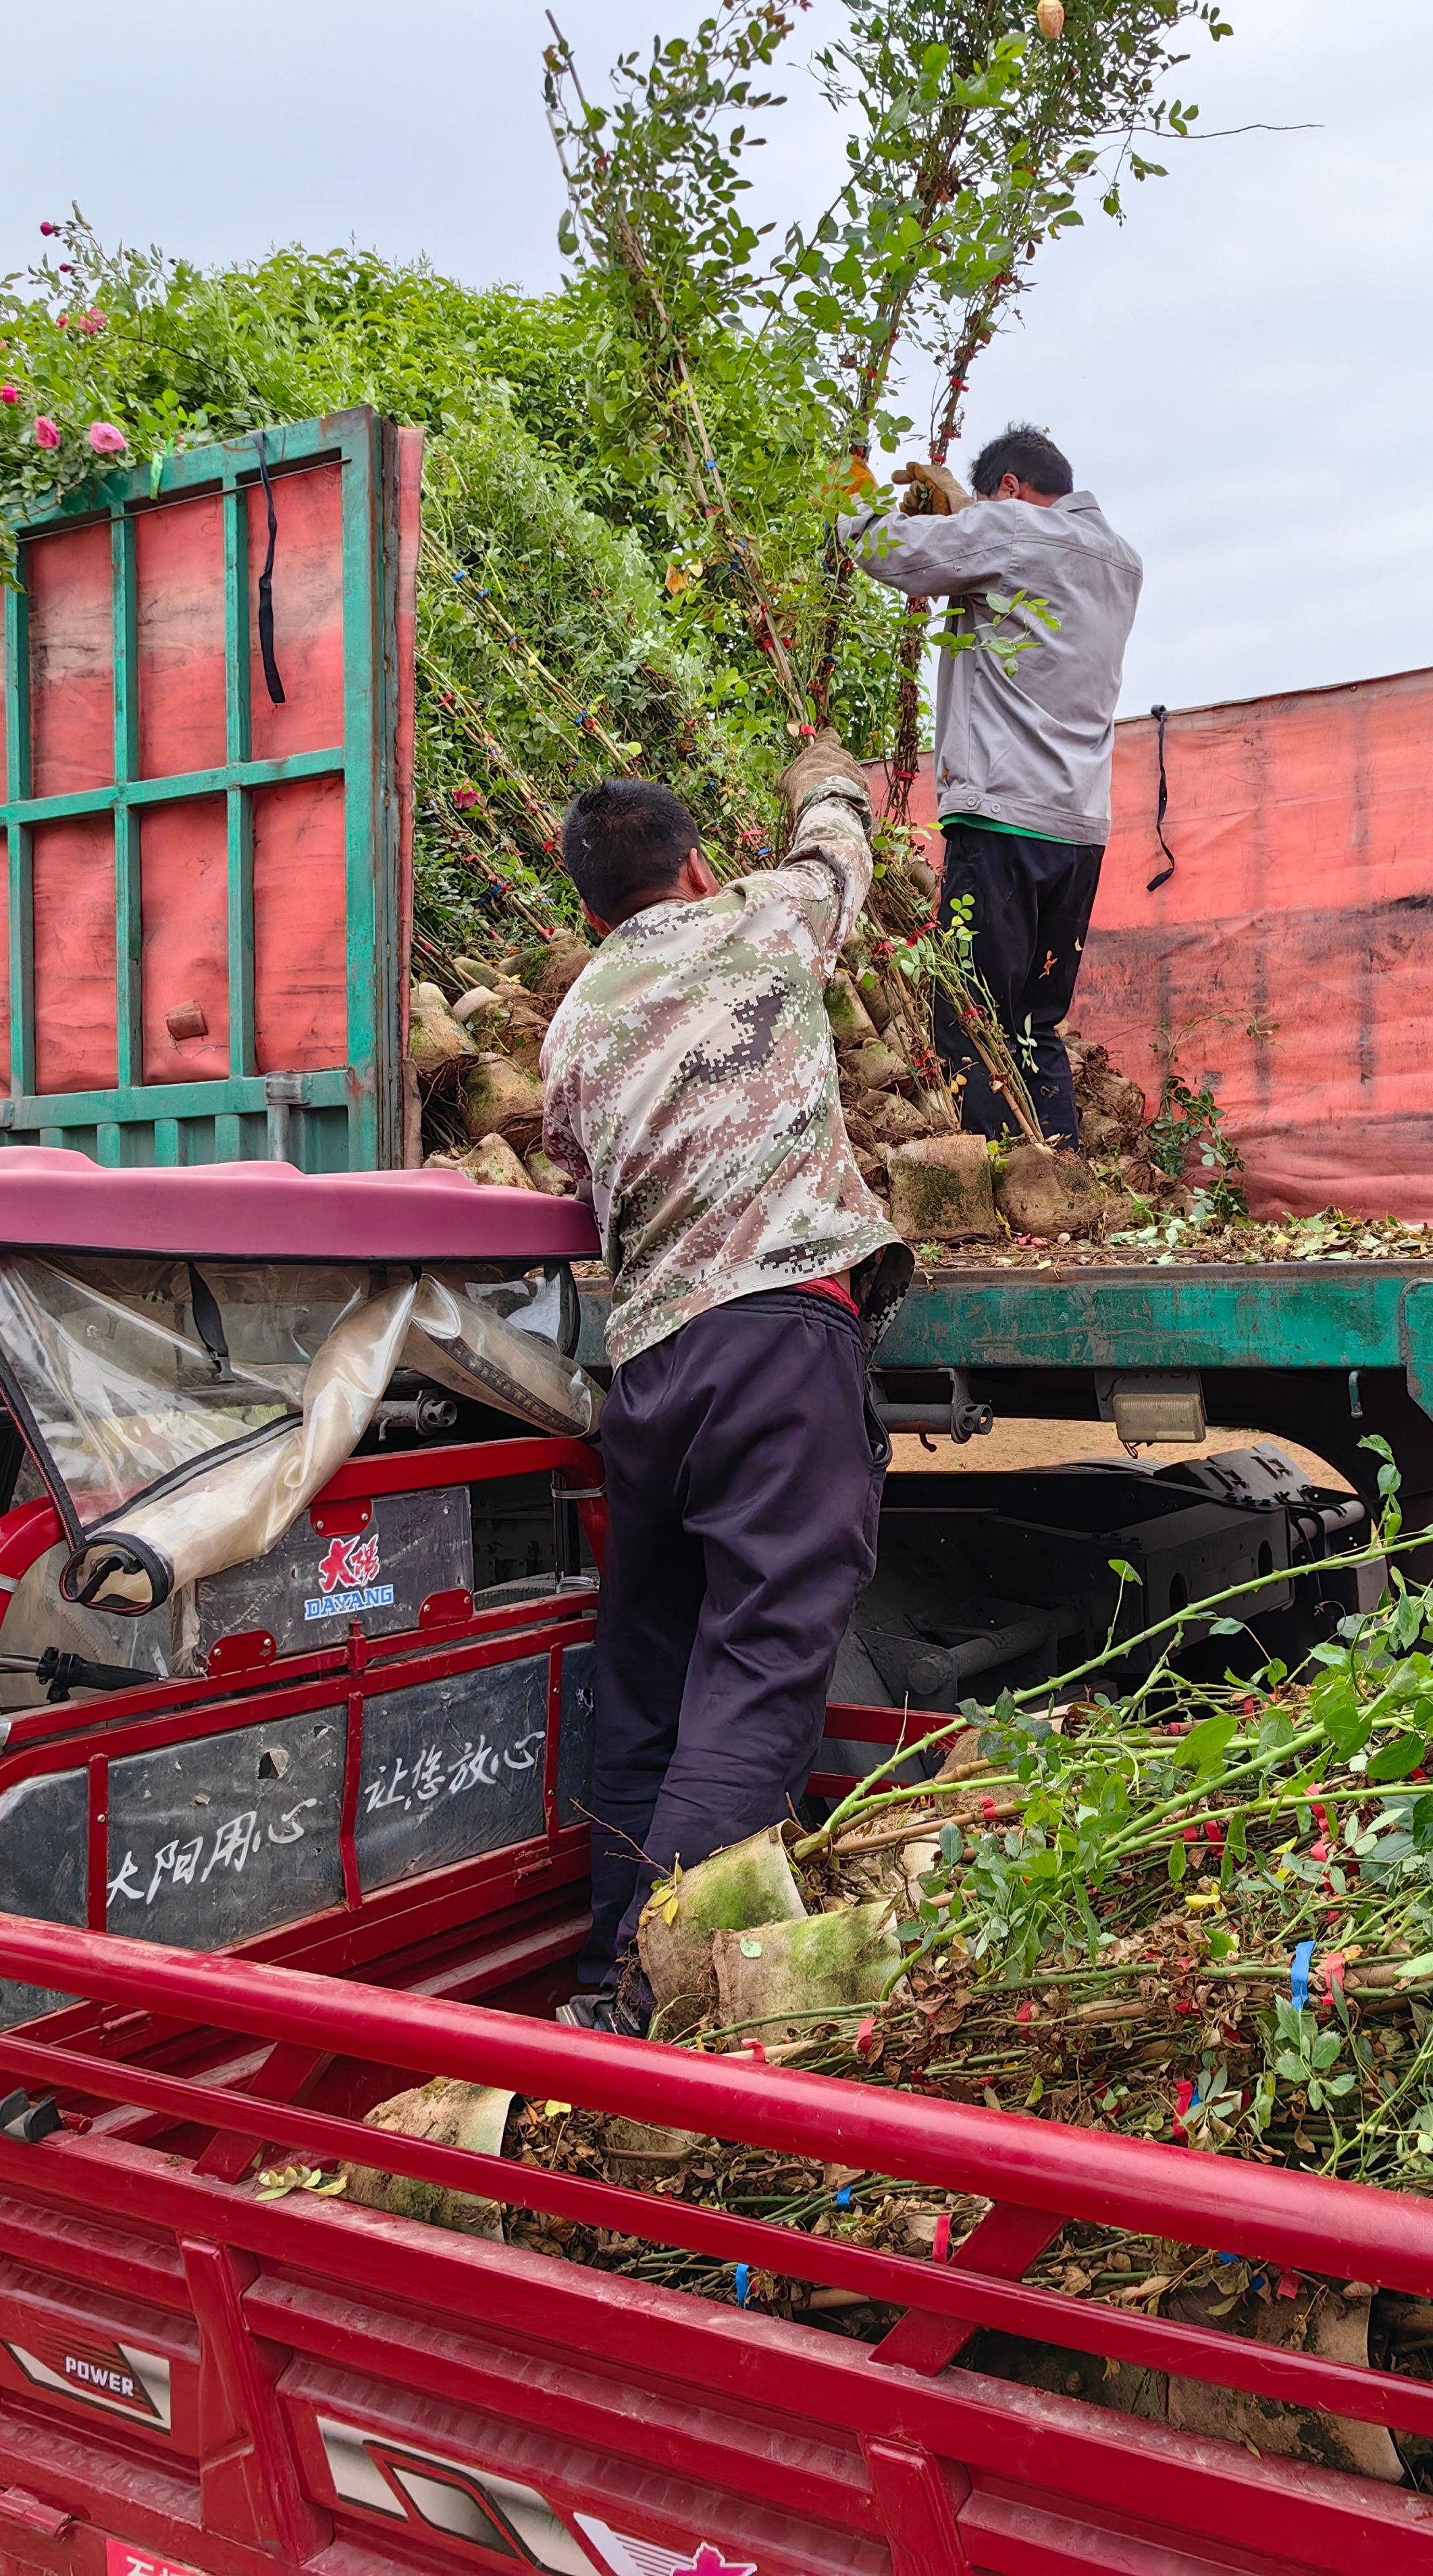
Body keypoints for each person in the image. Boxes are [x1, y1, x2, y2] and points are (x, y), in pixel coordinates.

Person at [537, 742, 910, 2034]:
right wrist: (830, 777)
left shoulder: (575, 1017)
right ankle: (662, 2014)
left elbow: (579, 1184)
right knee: (756, 1672)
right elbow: (838, 854)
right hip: (772, 1346)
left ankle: (602, 1980)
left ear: (588, 911)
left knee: (649, 1679)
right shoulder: (764, 915)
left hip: (648, 1375)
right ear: (698, 865)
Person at [843, 421, 1141, 1146]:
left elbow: (887, 552)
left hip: (1005, 817)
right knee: (1037, 1024)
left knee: (973, 1013)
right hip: (1079, 826)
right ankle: (1061, 1182)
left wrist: (845, 492)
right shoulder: (1120, 559)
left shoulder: (1013, 528)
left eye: (987, 502)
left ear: (1009, 489)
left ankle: (1003, 1183)